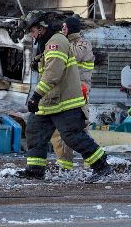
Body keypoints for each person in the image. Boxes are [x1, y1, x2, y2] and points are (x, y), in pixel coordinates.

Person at [17, 10, 112, 182]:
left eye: (32, 31)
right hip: (50, 101)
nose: (31, 35)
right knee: (34, 131)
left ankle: (101, 165)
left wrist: (36, 96)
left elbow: (53, 73)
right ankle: (35, 170)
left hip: (65, 101)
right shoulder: (48, 43)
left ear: (41, 27)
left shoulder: (57, 42)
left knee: (72, 136)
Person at [51, 15, 95, 171]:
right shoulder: (67, 42)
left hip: (80, 92)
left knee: (81, 127)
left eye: (65, 27)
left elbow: (75, 55)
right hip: (67, 92)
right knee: (63, 128)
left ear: (71, 28)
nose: (62, 30)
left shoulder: (83, 44)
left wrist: (60, 42)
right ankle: (65, 163)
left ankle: (92, 162)